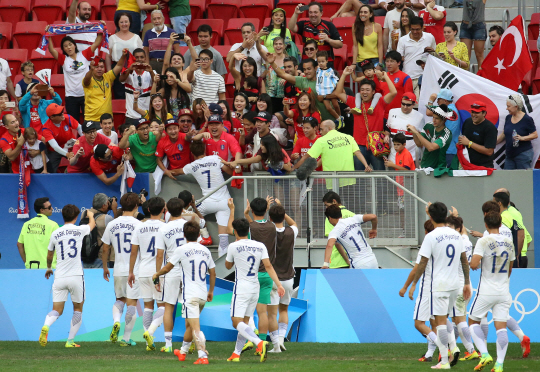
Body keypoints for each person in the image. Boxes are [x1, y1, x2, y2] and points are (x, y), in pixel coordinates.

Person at [408, 202, 471, 369]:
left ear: (430, 216)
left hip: (439, 285)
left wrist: (414, 284)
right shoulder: (457, 235)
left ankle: (445, 360)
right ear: (446, 216)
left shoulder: (431, 236)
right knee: (444, 321)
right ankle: (453, 349)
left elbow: (422, 263)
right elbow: (464, 261)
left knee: (440, 323)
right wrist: (466, 283)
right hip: (454, 285)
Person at [224, 216, 285, 362]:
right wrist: (279, 284)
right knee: (244, 322)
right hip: (255, 287)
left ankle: (259, 342)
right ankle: (236, 353)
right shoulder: (260, 246)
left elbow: (227, 266)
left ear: (236, 231)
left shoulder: (233, 246)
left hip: (242, 287)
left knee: (235, 321)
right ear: (248, 230)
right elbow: (268, 266)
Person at [156, 220, 216, 363]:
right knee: (190, 325)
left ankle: (203, 356)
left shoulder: (181, 249)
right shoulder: (205, 250)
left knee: (195, 327)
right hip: (202, 294)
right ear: (199, 234)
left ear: (184, 235)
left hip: (190, 295)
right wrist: (211, 291)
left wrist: (156, 274)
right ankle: (182, 352)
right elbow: (212, 273)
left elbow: (167, 268)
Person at [38, 205, 95, 348]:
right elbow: (92, 225)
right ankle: (70, 341)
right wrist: (91, 214)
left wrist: (49, 268)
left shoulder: (55, 233)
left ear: (62, 216)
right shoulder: (79, 230)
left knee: (57, 309)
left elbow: (50, 254)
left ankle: (46, 325)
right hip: (76, 276)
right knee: (78, 309)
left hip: (60, 276)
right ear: (76, 217)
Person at [468, 212, 515, 372]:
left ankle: (485, 354)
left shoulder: (484, 240)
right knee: (501, 327)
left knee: (472, 322)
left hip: (486, 290)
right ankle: (500, 364)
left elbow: (474, 264)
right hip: (503, 291)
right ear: (500, 224)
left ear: (486, 225)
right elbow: (510, 268)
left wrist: (470, 262)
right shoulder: (509, 242)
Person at [174, 140, 233, 255]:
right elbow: (229, 171)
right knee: (223, 239)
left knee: (185, 213)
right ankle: (223, 268)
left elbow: (176, 172)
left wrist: (166, 172)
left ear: (192, 153)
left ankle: (205, 236)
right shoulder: (215, 158)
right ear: (205, 150)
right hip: (225, 202)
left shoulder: (192, 166)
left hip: (208, 202)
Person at [334, 65, 397, 170]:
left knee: (379, 176)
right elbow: (338, 93)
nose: (364, 92)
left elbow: (394, 92)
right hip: (359, 145)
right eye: (362, 90)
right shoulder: (354, 101)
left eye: (367, 90)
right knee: (360, 176)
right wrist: (344, 74)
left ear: (373, 92)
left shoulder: (380, 102)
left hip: (376, 144)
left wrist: (385, 76)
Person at [100, 192, 142, 346]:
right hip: (134, 270)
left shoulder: (112, 224)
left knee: (119, 300)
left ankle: (116, 321)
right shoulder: (139, 225)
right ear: (136, 206)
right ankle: (125, 338)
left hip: (118, 268)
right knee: (132, 303)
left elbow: (105, 248)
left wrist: (105, 267)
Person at [129, 197, 166, 351]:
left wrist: (131, 271)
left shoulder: (139, 227)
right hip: (159, 271)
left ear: (149, 209)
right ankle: (150, 332)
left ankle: (147, 340)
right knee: (164, 306)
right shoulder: (165, 227)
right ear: (163, 209)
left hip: (142, 271)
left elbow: (133, 252)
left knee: (148, 307)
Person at [399, 220, 438, 363]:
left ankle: (445, 347)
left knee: (419, 323)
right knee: (434, 324)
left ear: (426, 232)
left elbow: (416, 269)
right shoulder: (443, 242)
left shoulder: (428, 243)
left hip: (428, 288)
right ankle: (429, 354)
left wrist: (406, 286)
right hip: (442, 287)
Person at [153, 198, 188, 354]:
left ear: (167, 210)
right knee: (189, 307)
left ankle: (168, 345)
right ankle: (189, 342)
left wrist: (158, 275)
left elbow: (159, 255)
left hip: (171, 270)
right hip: (187, 270)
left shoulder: (164, 229)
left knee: (169, 306)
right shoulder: (189, 226)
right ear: (182, 209)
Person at [445, 212, 479, 362]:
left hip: (459, 286)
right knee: (456, 318)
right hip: (465, 284)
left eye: (450, 227)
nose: (447, 230)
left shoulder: (455, 243)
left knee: (459, 319)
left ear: (457, 228)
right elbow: (464, 231)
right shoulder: (465, 239)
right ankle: (451, 348)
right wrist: (457, 217)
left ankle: (471, 350)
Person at [47, 33, 104, 120]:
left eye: (70, 44)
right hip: (71, 97)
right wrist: (49, 36)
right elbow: (51, 50)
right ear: (63, 49)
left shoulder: (84, 54)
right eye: (65, 46)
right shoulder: (63, 59)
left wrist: (100, 31)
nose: (69, 47)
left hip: (86, 94)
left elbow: (96, 43)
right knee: (73, 124)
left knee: (89, 122)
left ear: (75, 45)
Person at [304, 120, 372, 189]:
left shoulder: (321, 140)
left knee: (333, 200)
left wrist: (305, 169)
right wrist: (366, 165)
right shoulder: (348, 137)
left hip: (332, 180)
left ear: (329, 128)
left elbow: (309, 156)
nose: (320, 132)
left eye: (321, 129)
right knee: (350, 199)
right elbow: (357, 152)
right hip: (348, 179)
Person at [268, 202, 297, 352]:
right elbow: (294, 223)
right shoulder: (292, 231)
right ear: (283, 217)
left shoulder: (268, 231)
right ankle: (280, 339)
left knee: (271, 313)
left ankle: (275, 344)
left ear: (270, 218)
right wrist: (282, 211)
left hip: (272, 278)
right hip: (287, 278)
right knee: (284, 310)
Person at [269, 55, 333, 122]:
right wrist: (272, 63)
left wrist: (324, 96)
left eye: (309, 69)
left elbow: (338, 93)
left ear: (316, 68)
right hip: (313, 122)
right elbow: (283, 74)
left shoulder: (326, 79)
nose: (306, 71)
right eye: (304, 69)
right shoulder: (302, 81)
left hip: (330, 119)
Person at [288, 2, 344, 69]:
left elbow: (340, 44)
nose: (313, 15)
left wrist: (328, 40)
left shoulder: (329, 25)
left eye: (315, 12)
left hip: (325, 63)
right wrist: (296, 13)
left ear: (321, 13)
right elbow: (291, 27)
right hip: (307, 63)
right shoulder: (304, 24)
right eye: (310, 12)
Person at [323, 204, 378, 269]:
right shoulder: (354, 219)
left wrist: (325, 264)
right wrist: (374, 229)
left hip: (358, 263)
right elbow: (373, 217)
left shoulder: (335, 231)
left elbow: (329, 245)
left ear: (330, 218)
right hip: (372, 259)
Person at [383, 133, 415, 236]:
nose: (396, 147)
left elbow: (407, 170)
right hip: (400, 188)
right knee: (402, 210)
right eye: (394, 144)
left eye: (398, 145)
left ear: (404, 144)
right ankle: (404, 231)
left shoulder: (406, 154)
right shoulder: (397, 154)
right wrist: (390, 163)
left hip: (407, 188)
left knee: (406, 211)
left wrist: (392, 165)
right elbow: (398, 168)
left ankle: (409, 231)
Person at [106, 13, 144, 99]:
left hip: (134, 69)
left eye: (126, 22)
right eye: (121, 22)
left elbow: (142, 54)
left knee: (134, 94)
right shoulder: (112, 38)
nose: (124, 24)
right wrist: (109, 75)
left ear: (130, 23)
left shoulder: (136, 37)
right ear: (118, 23)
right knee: (119, 95)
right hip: (117, 69)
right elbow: (108, 57)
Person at [397, 17, 436, 98]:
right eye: (412, 29)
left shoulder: (430, 37)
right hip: (408, 77)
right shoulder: (402, 40)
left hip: (425, 77)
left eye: (417, 29)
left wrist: (431, 52)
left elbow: (434, 56)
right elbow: (399, 59)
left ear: (423, 27)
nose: (415, 32)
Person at [494, 188, 532, 269]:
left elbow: (521, 233)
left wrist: (517, 255)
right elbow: (528, 238)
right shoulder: (512, 212)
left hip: (515, 257)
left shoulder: (509, 213)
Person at [83, 52, 128, 122]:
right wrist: (91, 70)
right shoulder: (89, 80)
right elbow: (86, 79)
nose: (99, 69)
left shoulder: (108, 77)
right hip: (92, 120)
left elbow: (119, 66)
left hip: (108, 121)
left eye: (102, 67)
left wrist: (123, 55)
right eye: (96, 67)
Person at [497, 94, 538, 170]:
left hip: (523, 154)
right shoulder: (508, 117)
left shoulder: (527, 119)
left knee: (522, 179)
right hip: (509, 155)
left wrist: (522, 138)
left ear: (516, 107)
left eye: (508, 106)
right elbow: (504, 133)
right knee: (508, 179)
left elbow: (535, 135)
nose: (507, 108)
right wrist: (493, 143)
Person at [17, 198, 59, 269]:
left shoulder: (26, 224)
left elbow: (19, 244)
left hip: (31, 267)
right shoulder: (53, 225)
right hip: (49, 268)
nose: (52, 208)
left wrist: (26, 261)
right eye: (49, 207)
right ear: (42, 210)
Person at [409, 104, 452, 169]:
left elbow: (431, 148)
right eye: (433, 117)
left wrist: (416, 133)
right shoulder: (428, 125)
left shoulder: (447, 133)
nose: (433, 120)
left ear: (444, 120)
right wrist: (413, 133)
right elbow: (419, 144)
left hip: (439, 168)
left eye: (437, 118)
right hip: (425, 165)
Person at [385, 92, 424, 164]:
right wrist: (387, 135)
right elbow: (388, 128)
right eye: (403, 104)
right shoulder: (392, 112)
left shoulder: (419, 117)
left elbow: (421, 141)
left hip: (411, 158)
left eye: (408, 105)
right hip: (393, 157)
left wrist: (414, 132)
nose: (405, 107)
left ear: (413, 104)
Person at [426, 89, 460, 168]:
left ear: (445, 101)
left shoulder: (448, 110)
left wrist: (430, 100)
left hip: (447, 150)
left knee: (444, 178)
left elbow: (428, 112)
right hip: (452, 149)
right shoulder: (453, 109)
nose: (437, 102)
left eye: (438, 99)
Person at [458, 101, 497, 168]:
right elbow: (464, 139)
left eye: (477, 112)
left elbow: (489, 151)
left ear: (484, 113)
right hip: (466, 165)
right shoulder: (468, 122)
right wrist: (461, 143)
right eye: (472, 112)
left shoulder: (490, 128)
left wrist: (469, 143)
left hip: (483, 167)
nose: (473, 115)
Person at [379, 51, 413, 119]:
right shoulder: (382, 77)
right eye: (387, 61)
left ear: (399, 63)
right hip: (382, 115)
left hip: (398, 115)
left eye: (392, 61)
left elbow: (408, 98)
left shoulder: (405, 77)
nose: (389, 64)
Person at [353, 5, 384, 71]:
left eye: (365, 12)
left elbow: (380, 46)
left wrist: (380, 63)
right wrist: (354, 63)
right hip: (361, 60)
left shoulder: (377, 26)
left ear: (371, 14)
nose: (362, 14)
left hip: (375, 59)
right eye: (361, 12)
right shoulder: (355, 26)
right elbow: (355, 46)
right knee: (363, 81)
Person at [315, 51, 342, 126]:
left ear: (327, 61)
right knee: (328, 108)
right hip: (322, 92)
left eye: (323, 61)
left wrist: (336, 87)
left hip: (331, 91)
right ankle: (338, 118)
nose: (321, 63)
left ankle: (340, 117)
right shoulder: (317, 70)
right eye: (319, 62)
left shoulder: (330, 71)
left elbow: (335, 79)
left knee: (336, 105)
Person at [459, 0, 487, 68]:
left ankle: (481, 77)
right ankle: (465, 77)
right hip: (465, 26)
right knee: (465, 56)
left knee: (479, 55)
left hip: (478, 26)